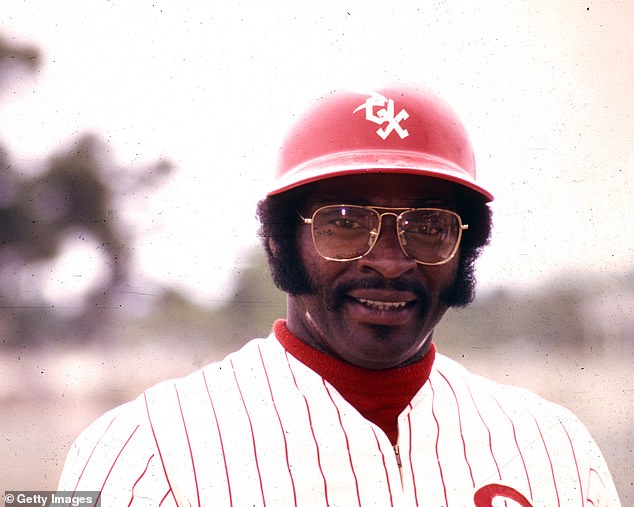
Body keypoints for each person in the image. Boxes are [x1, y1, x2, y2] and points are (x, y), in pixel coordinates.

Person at [58, 87, 621, 506]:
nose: (389, 259)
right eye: (345, 222)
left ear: (463, 248)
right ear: (280, 240)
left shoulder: (558, 450)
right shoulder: (145, 450)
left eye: (427, 226)